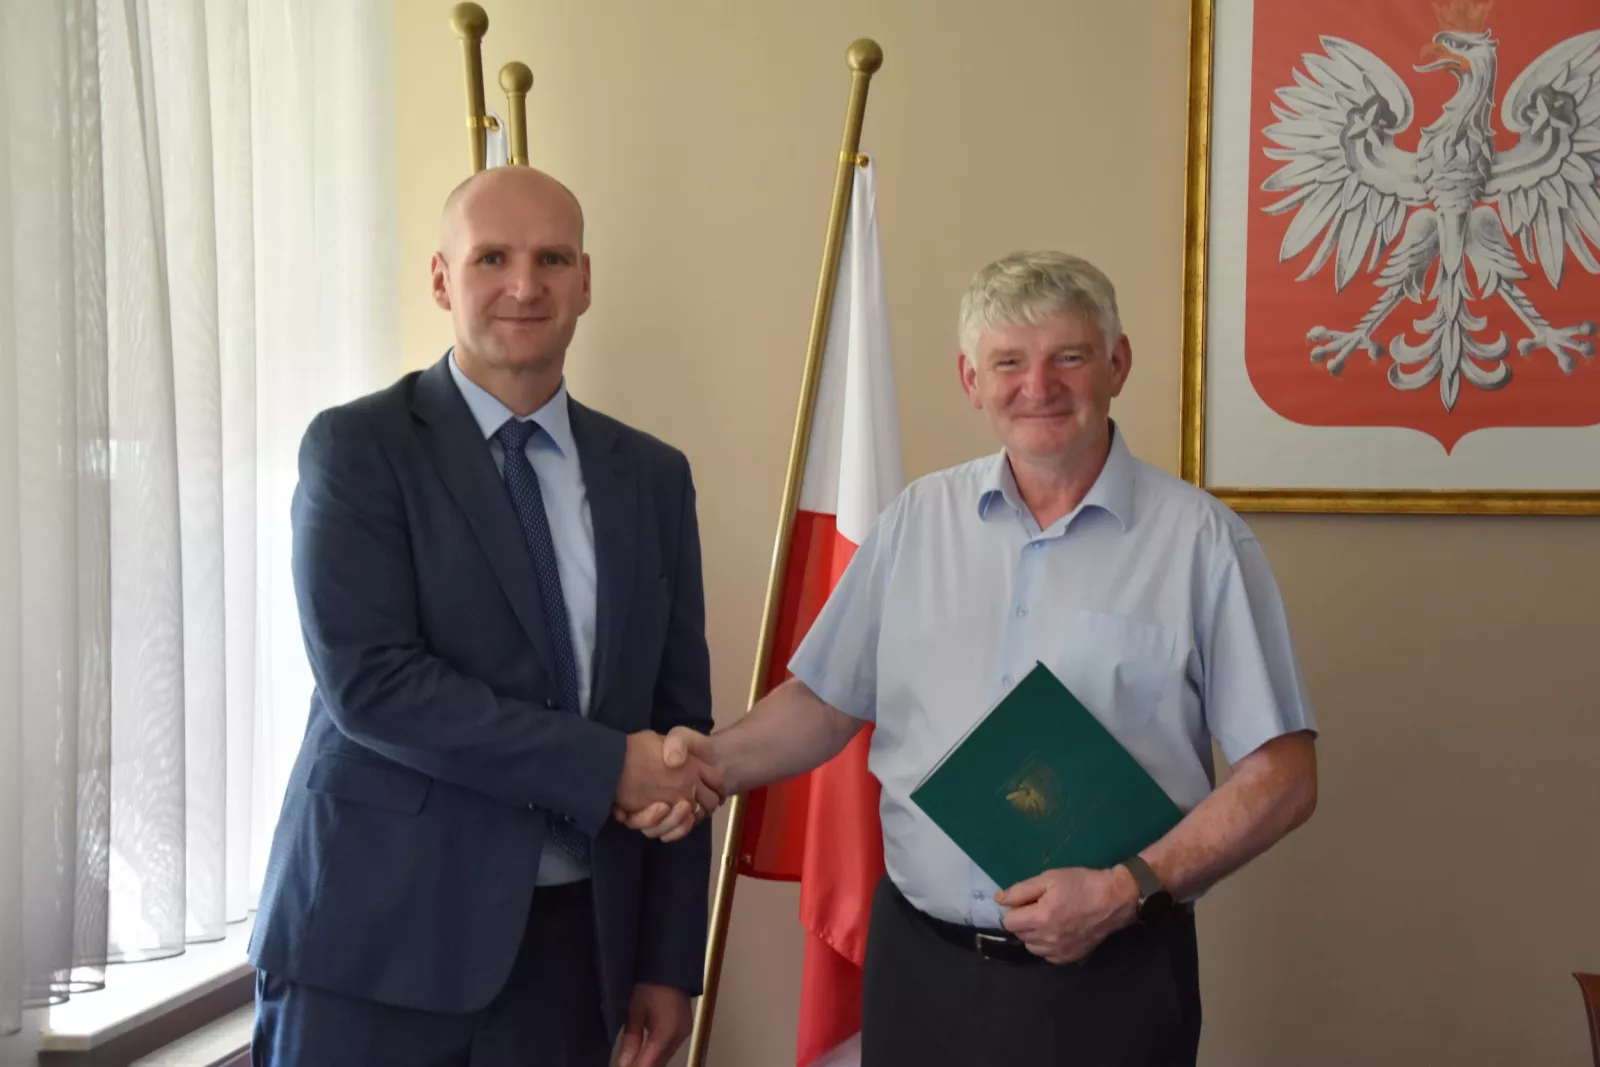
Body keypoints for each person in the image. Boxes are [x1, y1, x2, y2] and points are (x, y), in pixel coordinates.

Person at [627, 250, 1320, 1066]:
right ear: (971, 379)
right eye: (1009, 362)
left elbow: (1283, 776)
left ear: (1118, 364)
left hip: (1112, 973)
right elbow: (825, 702)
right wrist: (707, 766)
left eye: (1069, 356)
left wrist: (1125, 886)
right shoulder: (916, 521)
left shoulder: (1203, 544)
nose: (1039, 386)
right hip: (919, 972)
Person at [249, 165, 724, 1067]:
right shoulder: (358, 448)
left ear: (586, 280)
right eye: (492, 258)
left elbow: (676, 725)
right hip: (372, 947)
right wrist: (602, 767)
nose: (524, 285)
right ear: (442, 279)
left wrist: (667, 960)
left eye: (553, 259)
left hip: (572, 961)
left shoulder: (653, 477)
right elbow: (373, 684)